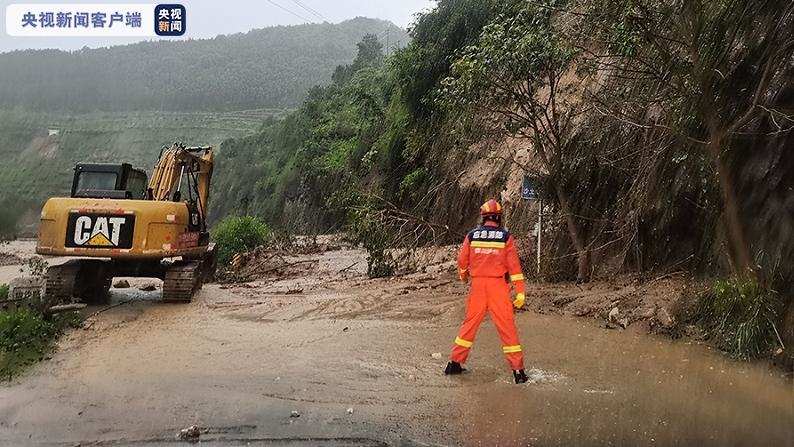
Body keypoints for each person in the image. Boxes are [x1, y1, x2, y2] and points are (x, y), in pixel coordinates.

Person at [445, 199, 528, 384]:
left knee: (469, 324)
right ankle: (518, 372)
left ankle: (454, 364)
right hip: (498, 287)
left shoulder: (472, 235)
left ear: (483, 217)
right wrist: (520, 292)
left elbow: (462, 260)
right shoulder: (506, 237)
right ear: (499, 217)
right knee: (507, 327)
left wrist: (463, 276)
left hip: (478, 287)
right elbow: (514, 267)